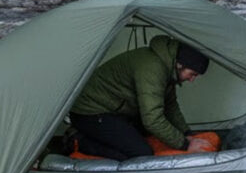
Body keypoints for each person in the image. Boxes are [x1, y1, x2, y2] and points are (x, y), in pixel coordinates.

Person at [68, 35, 211, 160]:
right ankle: (77, 141)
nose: (192, 80)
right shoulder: (152, 69)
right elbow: (152, 119)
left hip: (115, 110)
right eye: (192, 74)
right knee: (140, 153)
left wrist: (187, 133)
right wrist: (185, 145)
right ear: (180, 65)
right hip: (89, 112)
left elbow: (170, 106)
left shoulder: (167, 66)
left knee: (149, 134)